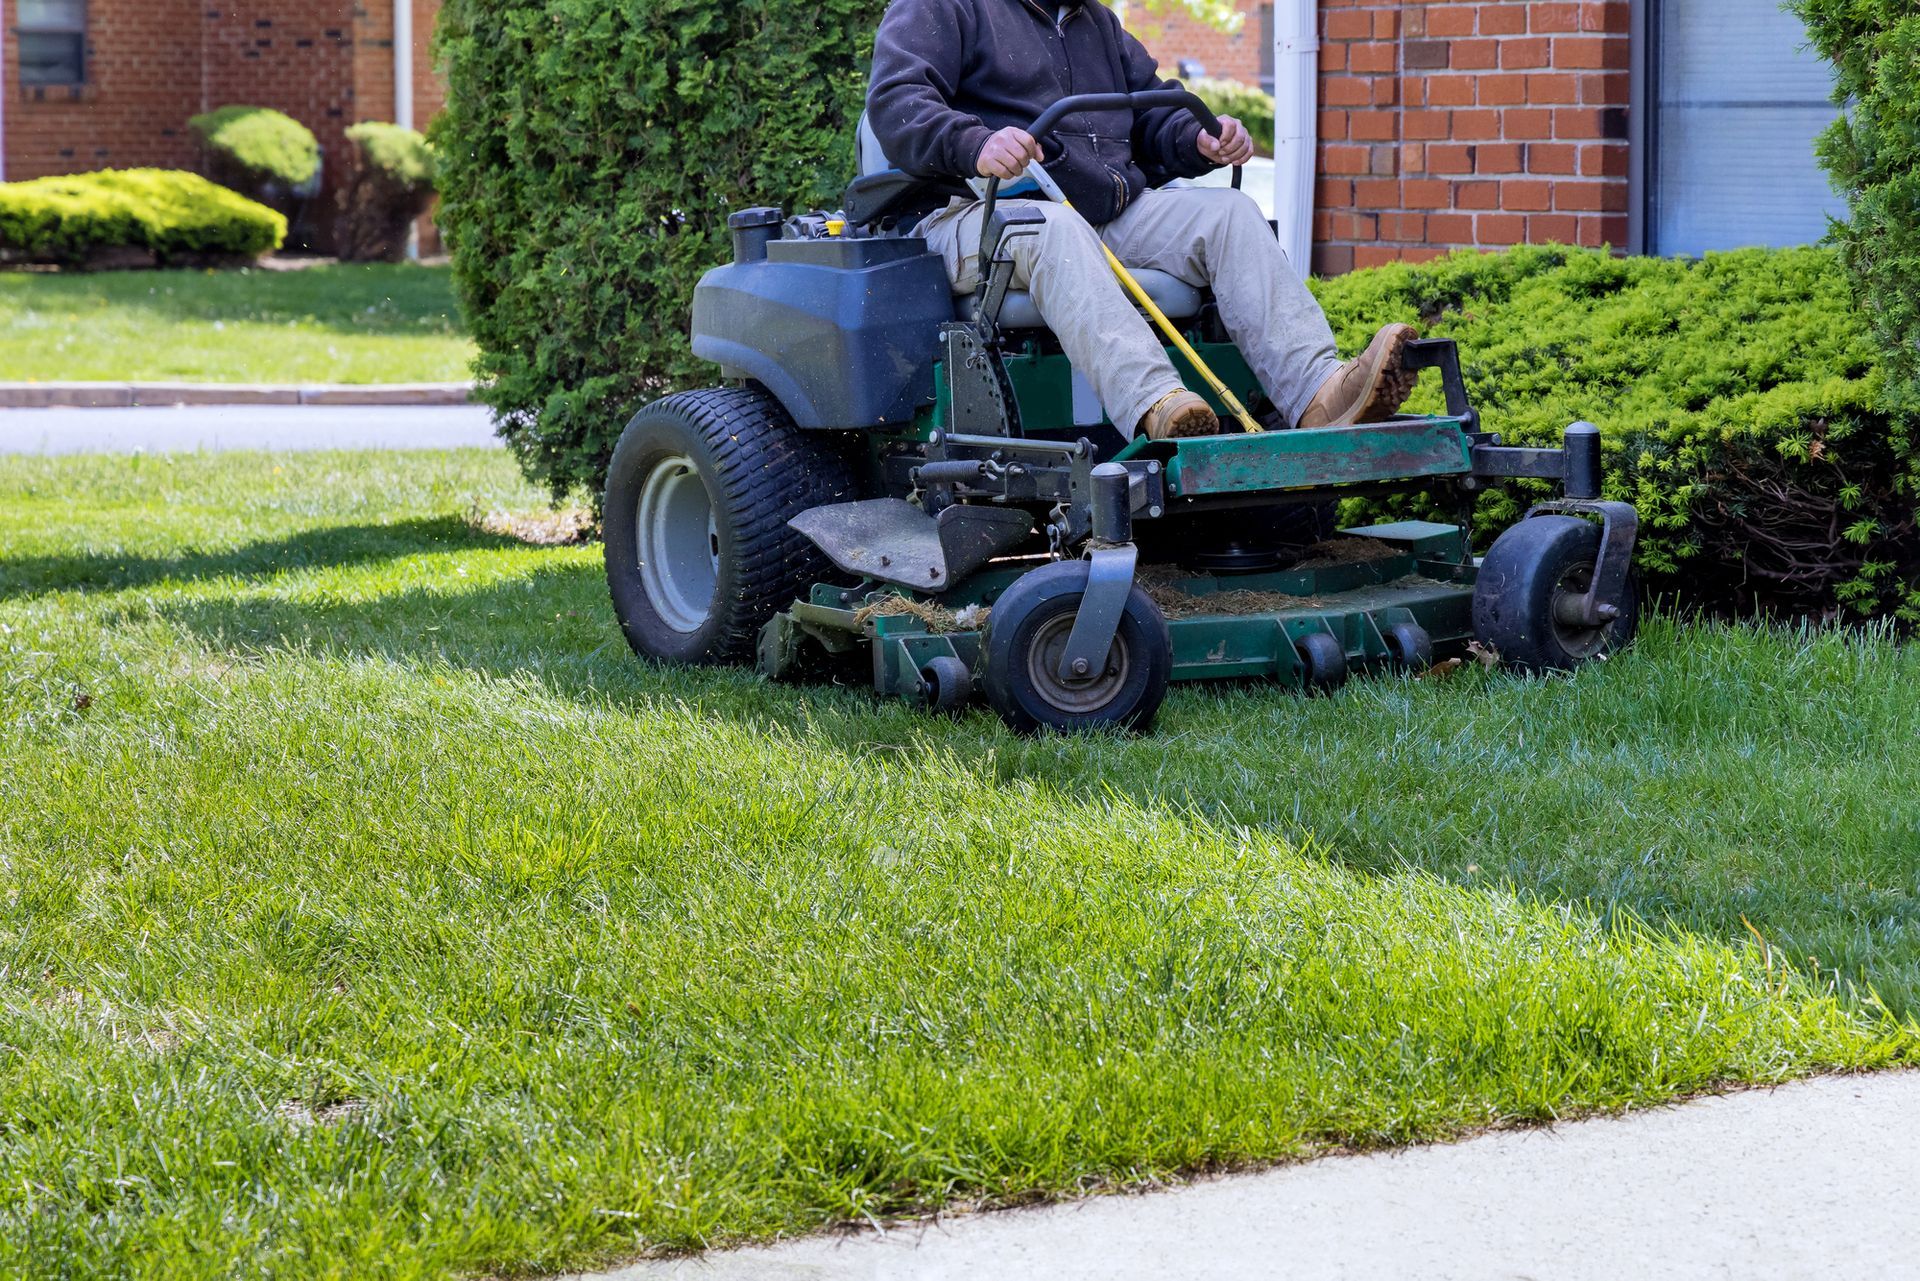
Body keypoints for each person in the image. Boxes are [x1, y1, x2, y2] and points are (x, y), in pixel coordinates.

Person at [868, 0, 1418, 441]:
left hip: (1095, 214)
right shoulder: (942, 6)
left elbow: (1152, 115)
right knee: (1049, 227)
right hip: (970, 211)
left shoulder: (1097, 24)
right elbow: (896, 104)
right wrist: (976, 143)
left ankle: (1319, 393)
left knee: (1227, 213)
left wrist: (1197, 138)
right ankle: (1158, 403)